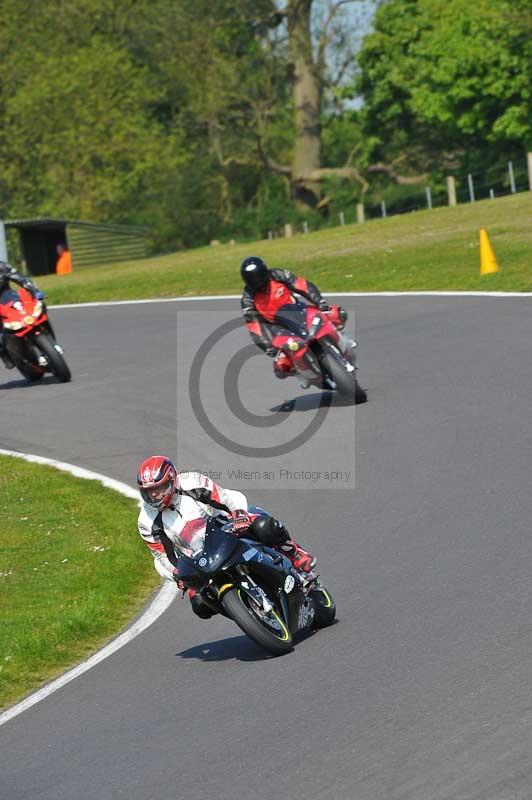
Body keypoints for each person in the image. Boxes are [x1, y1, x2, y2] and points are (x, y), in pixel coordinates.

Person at [136, 455, 316, 619]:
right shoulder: (146, 520)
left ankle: (295, 553)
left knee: (264, 527)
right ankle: (248, 613)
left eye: (159, 489)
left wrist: (238, 514)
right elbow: (162, 557)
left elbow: (224, 497)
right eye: (149, 492)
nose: (154, 496)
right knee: (200, 606)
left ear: (172, 480)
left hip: (226, 527)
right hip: (197, 558)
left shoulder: (191, 482)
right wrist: (177, 575)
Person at [240, 255, 353, 379]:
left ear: (264, 271)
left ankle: (344, 340)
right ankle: (303, 374)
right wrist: (267, 346)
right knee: (281, 367)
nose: (256, 281)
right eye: (251, 279)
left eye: (258, 276)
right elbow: (254, 325)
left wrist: (319, 301)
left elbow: (301, 285)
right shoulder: (248, 298)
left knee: (336, 313)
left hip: (298, 311)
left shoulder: (277, 275)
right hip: (277, 327)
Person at [0, 261, 39, 368]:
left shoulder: (2, 266)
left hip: (6, 295)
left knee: (33, 306)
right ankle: (3, 352)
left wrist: (33, 290)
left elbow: (20, 278)